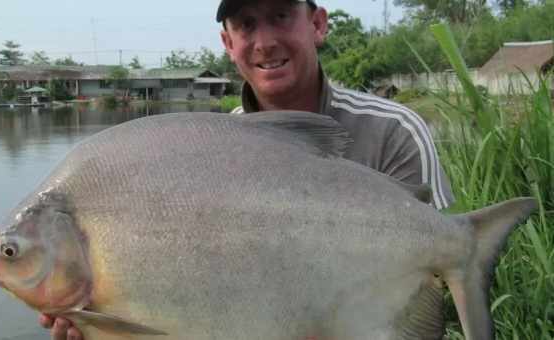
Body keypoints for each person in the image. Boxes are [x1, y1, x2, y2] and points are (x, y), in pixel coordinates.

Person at [40, 0, 454, 338]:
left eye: (280, 16)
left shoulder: (395, 130)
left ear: (317, 23)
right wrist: (111, 323)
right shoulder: (207, 150)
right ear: (227, 42)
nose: (265, 42)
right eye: (246, 25)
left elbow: (440, 276)